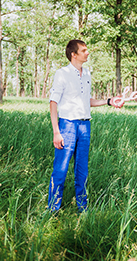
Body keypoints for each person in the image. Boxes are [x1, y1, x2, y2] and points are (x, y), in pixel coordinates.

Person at [48, 39, 120, 213]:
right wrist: (56, 132)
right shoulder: (62, 73)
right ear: (74, 54)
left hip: (85, 126)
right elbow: (53, 102)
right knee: (61, 169)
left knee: (82, 170)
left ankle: (82, 208)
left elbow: (86, 101)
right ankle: (53, 210)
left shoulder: (87, 73)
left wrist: (109, 101)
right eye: (84, 50)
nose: (88, 53)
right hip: (67, 126)